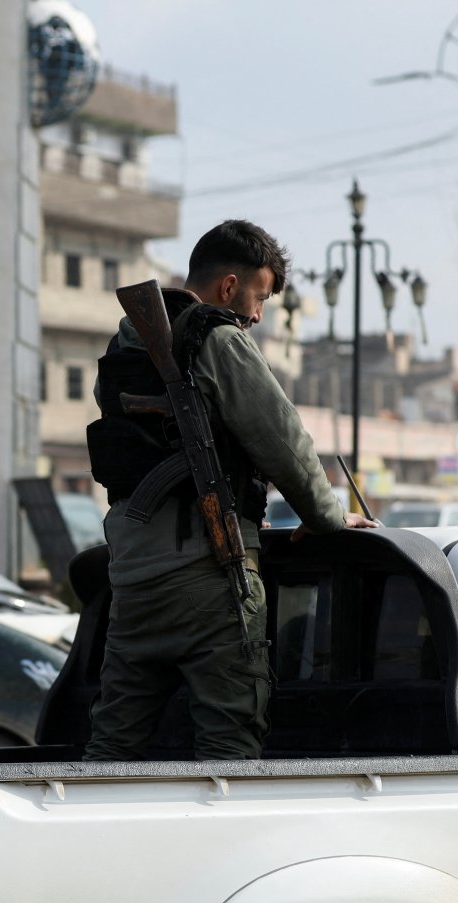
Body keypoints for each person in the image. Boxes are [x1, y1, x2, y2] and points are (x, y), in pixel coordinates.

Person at [83, 219, 377, 762]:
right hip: (209, 574)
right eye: (259, 296)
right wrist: (330, 518)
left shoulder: (124, 346)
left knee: (112, 747)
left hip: (130, 578)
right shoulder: (216, 337)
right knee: (230, 743)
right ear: (228, 287)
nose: (259, 314)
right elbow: (284, 441)